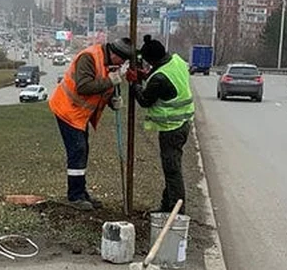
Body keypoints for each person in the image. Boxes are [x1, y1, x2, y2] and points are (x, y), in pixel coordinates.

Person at [49, 37, 134, 211]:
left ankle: (81, 192)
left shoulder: (111, 64)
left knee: (83, 150)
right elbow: (84, 87)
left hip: (80, 114)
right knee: (78, 150)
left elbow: (104, 88)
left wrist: (113, 100)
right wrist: (110, 81)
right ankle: (75, 196)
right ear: (114, 53)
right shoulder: (89, 58)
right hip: (67, 109)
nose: (123, 64)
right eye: (122, 60)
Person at [127, 34, 195, 214]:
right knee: (171, 168)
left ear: (151, 60)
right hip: (183, 123)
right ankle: (168, 205)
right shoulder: (176, 61)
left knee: (172, 171)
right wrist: (146, 75)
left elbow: (145, 100)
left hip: (171, 128)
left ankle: (176, 213)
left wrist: (134, 83)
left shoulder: (159, 78)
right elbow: (162, 77)